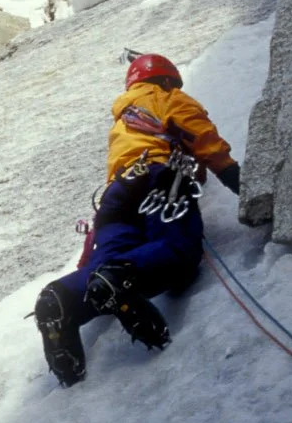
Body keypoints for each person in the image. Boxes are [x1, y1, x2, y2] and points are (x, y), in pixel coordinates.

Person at [35, 50, 242, 386]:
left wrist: (87, 258)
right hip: (161, 180)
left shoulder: (123, 120)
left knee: (101, 270)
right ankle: (120, 278)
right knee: (177, 251)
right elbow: (199, 135)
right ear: (166, 79)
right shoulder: (167, 97)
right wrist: (233, 176)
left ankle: (62, 296)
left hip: (117, 196)